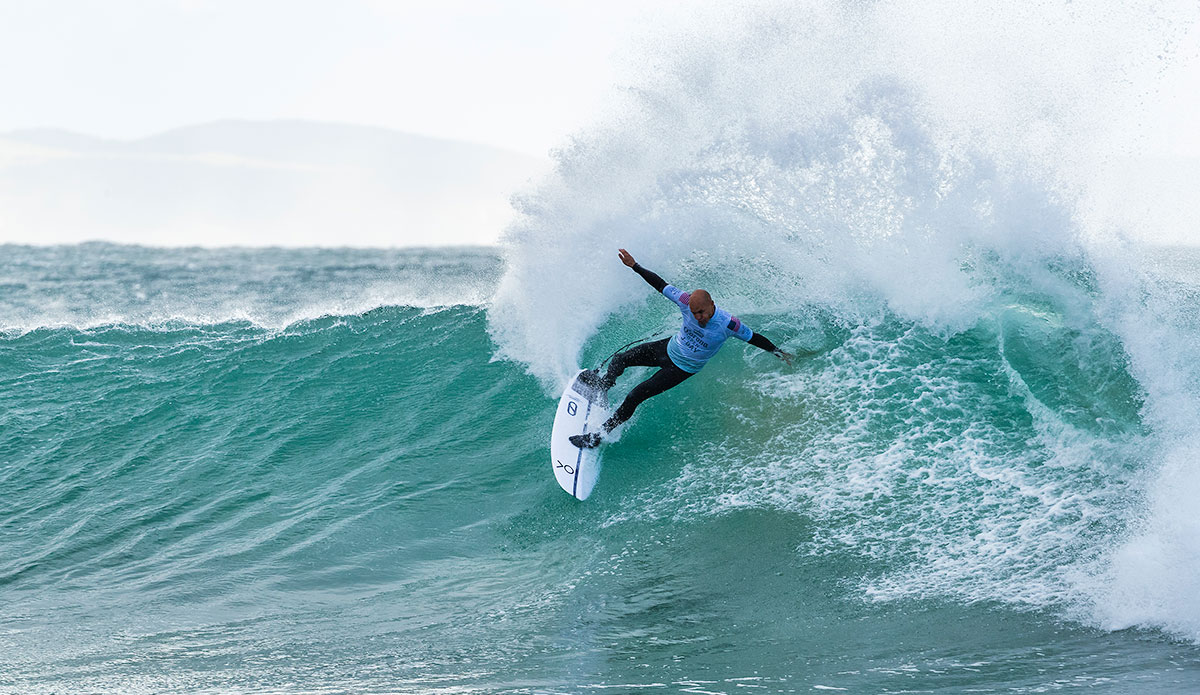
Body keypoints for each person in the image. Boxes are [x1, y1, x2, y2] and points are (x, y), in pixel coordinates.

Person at [569, 248, 793, 449]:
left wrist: (777, 351)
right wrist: (634, 266)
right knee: (621, 359)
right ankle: (603, 385)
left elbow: (754, 337)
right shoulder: (686, 301)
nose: (698, 317)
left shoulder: (729, 324)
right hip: (668, 348)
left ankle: (596, 437)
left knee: (634, 396)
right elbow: (660, 284)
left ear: (712, 305)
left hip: (681, 368)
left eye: (702, 313)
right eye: (694, 313)